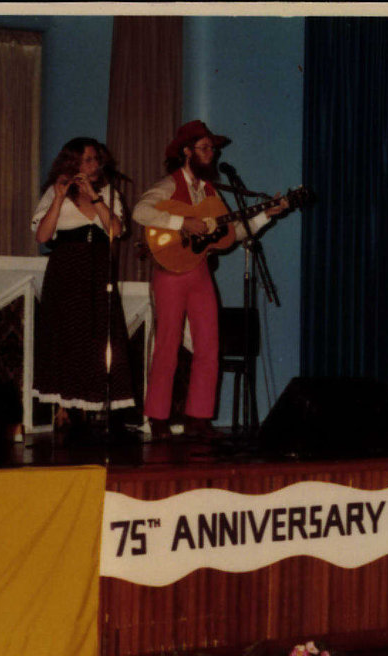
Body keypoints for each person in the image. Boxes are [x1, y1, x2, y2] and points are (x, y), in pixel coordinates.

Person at [132, 120, 288, 440]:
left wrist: (262, 217)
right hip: (171, 274)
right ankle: (157, 416)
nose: (212, 154)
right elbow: (141, 212)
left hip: (200, 272)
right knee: (167, 345)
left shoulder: (212, 192)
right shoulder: (168, 185)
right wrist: (182, 222)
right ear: (187, 152)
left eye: (213, 149)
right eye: (205, 148)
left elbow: (232, 233)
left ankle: (199, 417)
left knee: (209, 345)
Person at [31, 137, 135, 442]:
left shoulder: (107, 193)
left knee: (101, 336)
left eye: (95, 160)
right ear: (72, 162)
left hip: (98, 268)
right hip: (66, 269)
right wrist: (60, 199)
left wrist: (96, 197)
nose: (92, 165)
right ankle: (68, 409)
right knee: (68, 337)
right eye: (87, 160)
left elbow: (116, 231)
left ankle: (101, 409)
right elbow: (43, 235)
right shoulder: (54, 191)